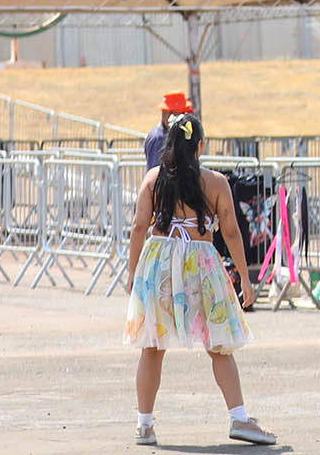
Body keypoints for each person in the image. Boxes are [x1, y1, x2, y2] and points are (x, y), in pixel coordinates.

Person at [120, 113, 274, 447]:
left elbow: (138, 227)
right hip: (200, 264)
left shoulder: (152, 180)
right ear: (200, 146)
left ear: (169, 144)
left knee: (152, 347)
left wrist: (132, 271)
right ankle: (239, 418)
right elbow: (231, 231)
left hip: (159, 263)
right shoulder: (216, 182)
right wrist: (245, 280)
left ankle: (144, 425)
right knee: (220, 345)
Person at [141, 91, 192, 170]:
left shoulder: (178, 133)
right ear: (170, 114)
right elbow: (155, 173)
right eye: (182, 113)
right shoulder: (158, 138)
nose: (185, 117)